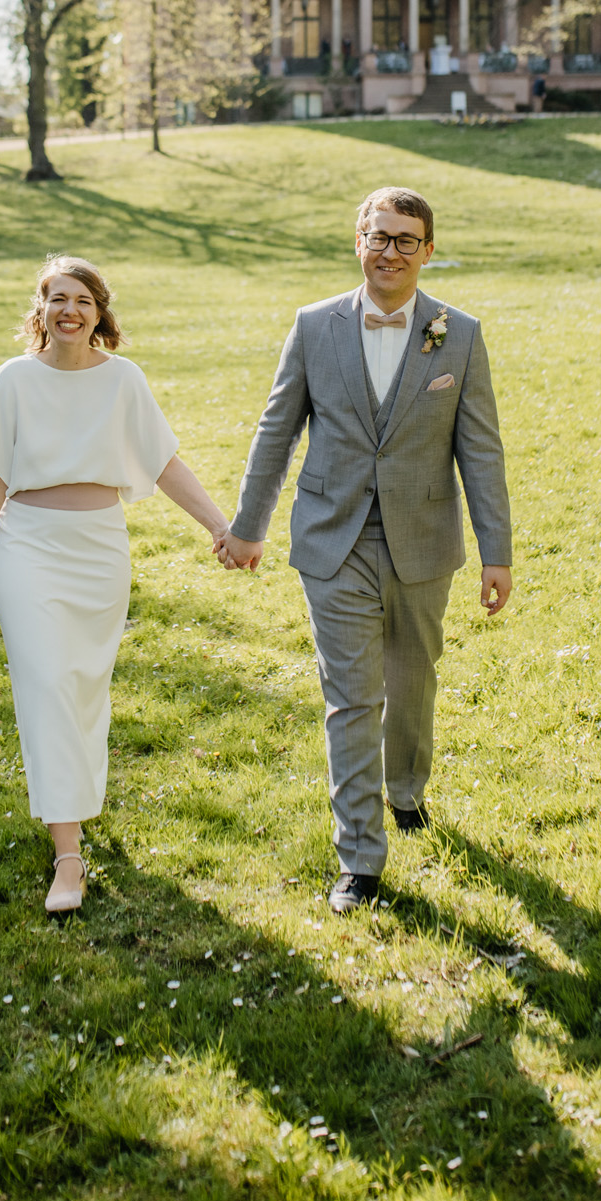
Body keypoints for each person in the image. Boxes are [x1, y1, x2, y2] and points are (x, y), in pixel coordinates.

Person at [219, 187, 513, 913]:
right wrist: (250, 525)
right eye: (378, 237)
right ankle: (361, 858)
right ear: (359, 241)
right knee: (352, 696)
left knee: (413, 679)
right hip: (334, 536)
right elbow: (276, 429)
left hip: (423, 538)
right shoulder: (314, 326)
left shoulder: (460, 334)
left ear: (428, 250)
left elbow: (480, 449)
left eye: (405, 240)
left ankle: (406, 790)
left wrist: (495, 551)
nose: (390, 251)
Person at [0, 256, 230, 917]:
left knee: (81, 688)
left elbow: (162, 463)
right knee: (45, 686)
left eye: (82, 300)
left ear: (100, 314)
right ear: (39, 312)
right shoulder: (13, 380)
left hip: (99, 550)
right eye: (56, 299)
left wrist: (220, 525)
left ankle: (74, 799)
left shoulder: (123, 381)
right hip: (29, 548)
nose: (69, 311)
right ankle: (67, 856)